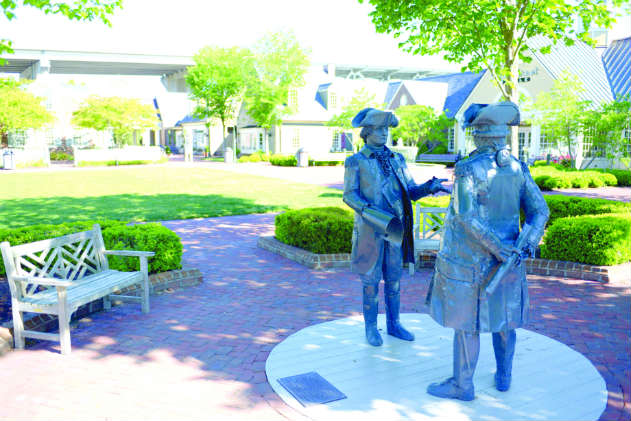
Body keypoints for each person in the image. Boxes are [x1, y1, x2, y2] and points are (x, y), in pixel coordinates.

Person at [425, 101, 550, 401]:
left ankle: (462, 385)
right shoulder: (518, 168)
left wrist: (504, 250)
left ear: (479, 135)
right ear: (501, 136)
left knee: (467, 324)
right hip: (507, 264)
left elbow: (467, 218)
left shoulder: (468, 168)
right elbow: (540, 212)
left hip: (470, 263)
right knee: (504, 320)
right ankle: (504, 377)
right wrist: (520, 246)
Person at [343, 108, 450, 347]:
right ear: (367, 132)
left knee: (394, 280)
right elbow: (349, 195)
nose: (383, 133)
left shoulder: (397, 159)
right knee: (370, 282)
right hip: (370, 231)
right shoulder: (356, 161)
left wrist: (428, 187)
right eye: (378, 129)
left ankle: (394, 324)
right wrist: (373, 213)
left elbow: (410, 191)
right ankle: (371, 328)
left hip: (395, 230)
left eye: (386, 129)